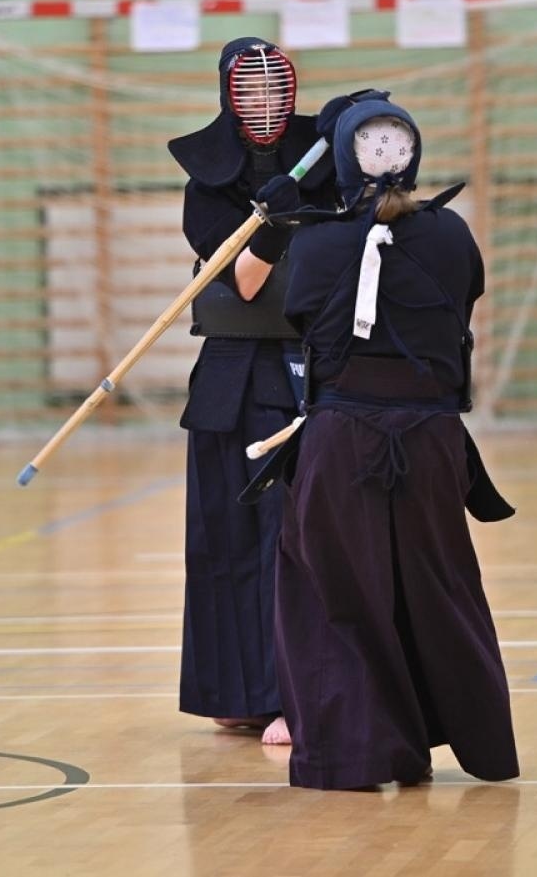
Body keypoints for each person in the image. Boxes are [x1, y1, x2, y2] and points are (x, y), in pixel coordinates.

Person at [269, 97, 519, 789]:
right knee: (438, 588)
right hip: (434, 440)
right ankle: (476, 742)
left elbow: (302, 319)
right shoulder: (452, 237)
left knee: (331, 594)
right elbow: (463, 303)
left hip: (342, 440)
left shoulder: (315, 243)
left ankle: (354, 753)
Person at [168, 38, 338, 743]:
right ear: (229, 100)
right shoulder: (205, 189)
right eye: (251, 92)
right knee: (220, 536)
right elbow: (242, 281)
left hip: (300, 369)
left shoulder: (322, 173)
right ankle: (232, 689)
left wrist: (296, 206)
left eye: (277, 90)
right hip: (228, 376)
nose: (266, 105)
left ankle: (285, 691)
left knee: (284, 539)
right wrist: (268, 221)